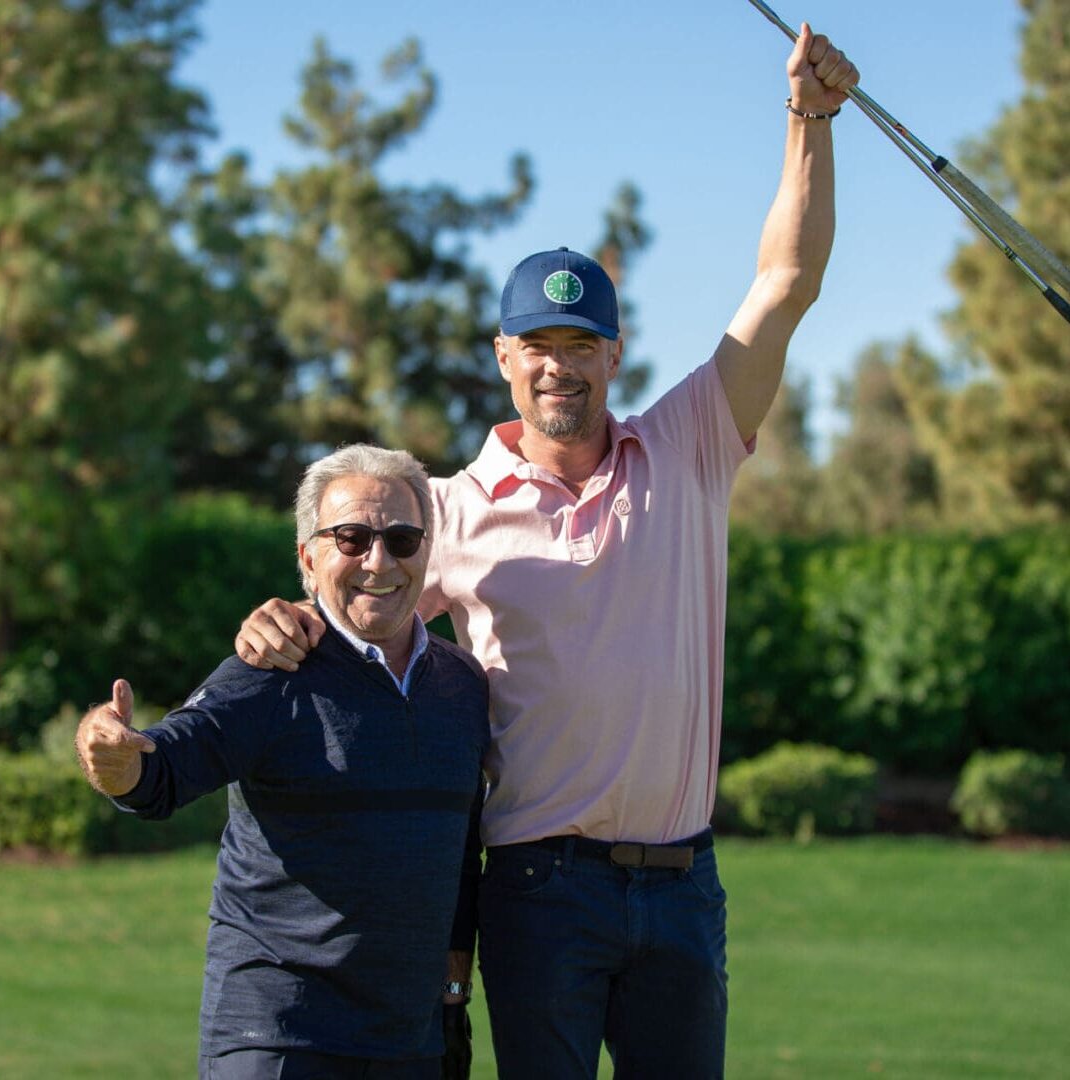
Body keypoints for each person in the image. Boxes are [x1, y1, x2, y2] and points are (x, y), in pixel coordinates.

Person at [233, 23, 858, 1079]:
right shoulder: (442, 510)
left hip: (682, 883)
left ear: (614, 353)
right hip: (536, 890)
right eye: (538, 347)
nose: (559, 367)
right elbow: (354, 607)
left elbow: (785, 281)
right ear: (504, 358)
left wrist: (809, 119)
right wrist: (277, 618)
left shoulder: (693, 444)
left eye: (580, 346)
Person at [75, 445, 490, 1080]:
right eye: (351, 537)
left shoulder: (462, 684)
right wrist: (107, 751)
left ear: (426, 551)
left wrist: (454, 998)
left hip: (412, 1041)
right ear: (308, 557)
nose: (378, 560)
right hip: (278, 1036)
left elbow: (458, 852)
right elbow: (160, 774)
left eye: (402, 539)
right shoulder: (272, 670)